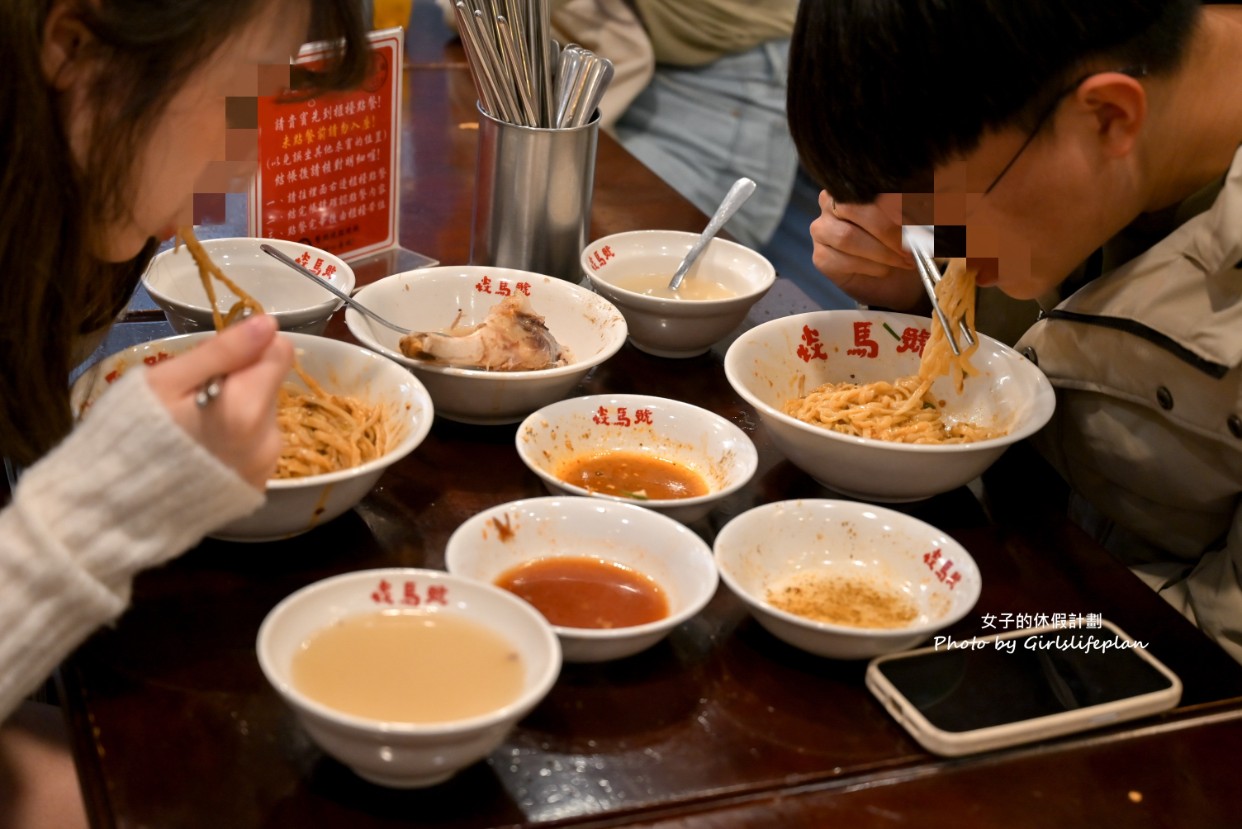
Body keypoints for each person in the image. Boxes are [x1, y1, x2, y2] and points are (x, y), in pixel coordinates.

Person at [0, 0, 370, 825]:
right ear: (74, 49)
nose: (239, 169)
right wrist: (98, 509)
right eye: (237, 96)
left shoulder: (51, 237)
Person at [786, 1, 1242, 660]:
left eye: (941, 215)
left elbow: (1216, 668)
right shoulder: (1038, 133)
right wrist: (916, 292)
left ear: (1109, 116)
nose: (925, 233)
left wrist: (961, 629)